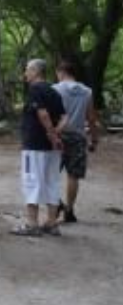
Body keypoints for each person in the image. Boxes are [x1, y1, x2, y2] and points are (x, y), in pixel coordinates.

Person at [12, 58, 66, 236]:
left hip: (34, 145)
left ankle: (32, 225)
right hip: (53, 148)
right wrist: (56, 135)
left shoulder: (35, 89)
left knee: (31, 181)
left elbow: (42, 114)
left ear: (36, 71)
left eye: (27, 70)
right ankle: (51, 223)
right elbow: (65, 117)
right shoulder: (53, 91)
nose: (25, 74)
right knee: (52, 182)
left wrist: (51, 134)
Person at [53, 59, 99, 223]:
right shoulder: (87, 91)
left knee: (50, 173)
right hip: (78, 137)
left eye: (57, 74)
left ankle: (56, 203)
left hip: (58, 136)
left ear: (61, 72)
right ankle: (69, 210)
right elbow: (91, 118)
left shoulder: (55, 89)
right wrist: (94, 139)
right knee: (73, 175)